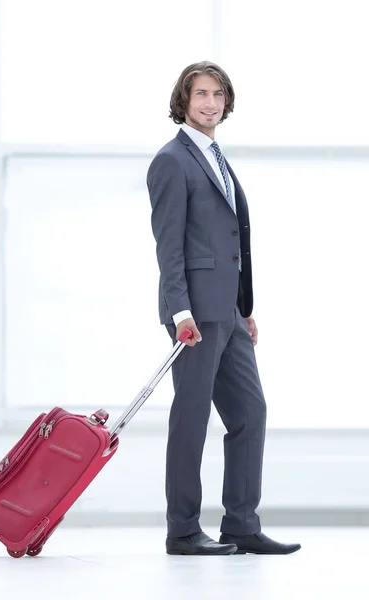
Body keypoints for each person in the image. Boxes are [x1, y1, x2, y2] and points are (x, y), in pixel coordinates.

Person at [146, 61, 301, 556]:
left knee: (250, 412)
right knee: (191, 420)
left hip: (229, 312)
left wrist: (243, 306)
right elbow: (168, 246)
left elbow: (231, 238)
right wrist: (180, 311)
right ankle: (183, 529)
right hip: (194, 315)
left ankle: (240, 523)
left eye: (217, 94)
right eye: (200, 95)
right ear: (183, 101)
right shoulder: (173, 160)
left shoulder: (214, 155)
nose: (210, 103)